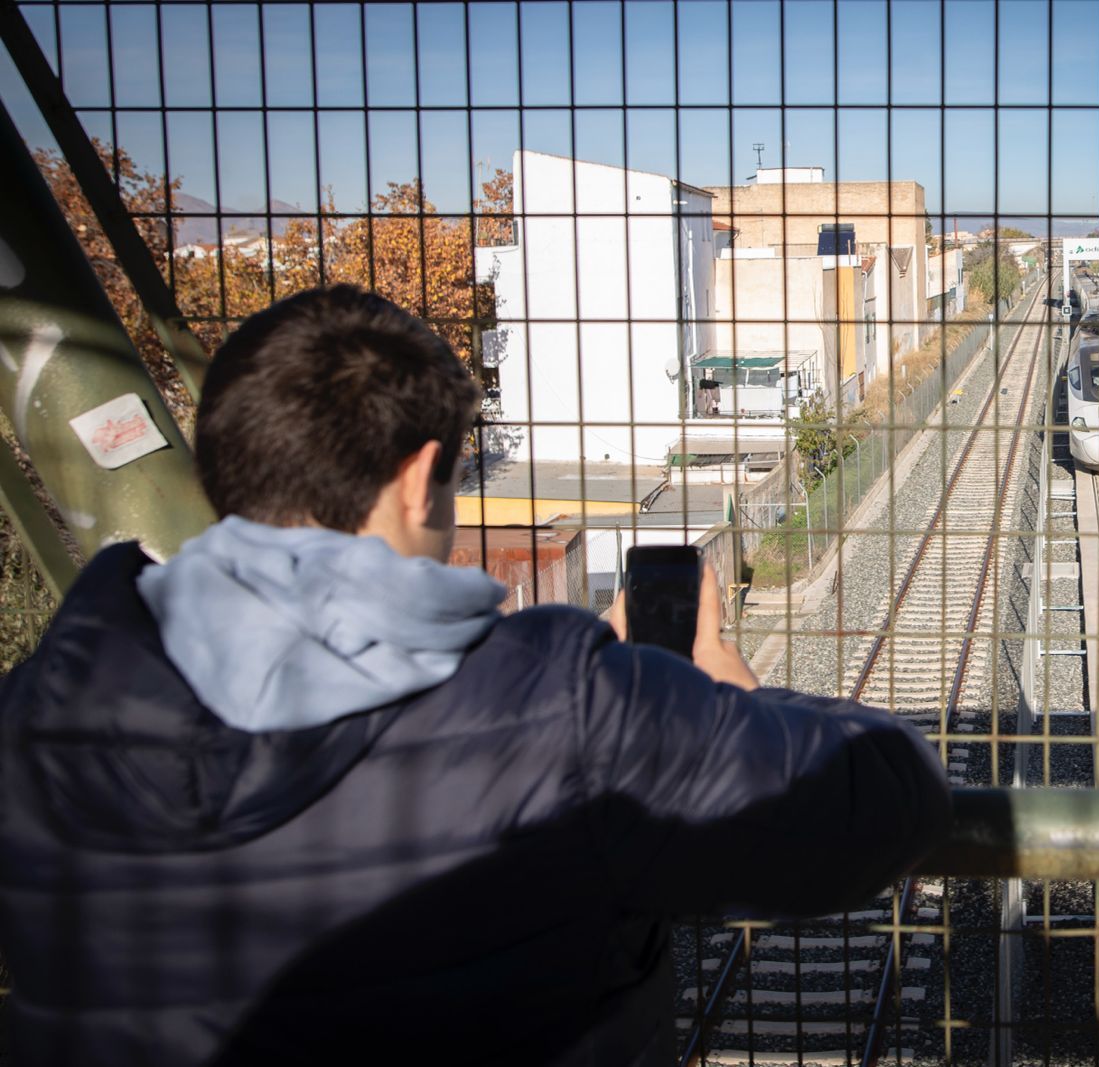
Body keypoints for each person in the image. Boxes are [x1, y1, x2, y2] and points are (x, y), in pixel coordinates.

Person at [0, 286, 952, 1065]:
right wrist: (714, 689)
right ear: (420, 477)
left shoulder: (37, 711)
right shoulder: (571, 712)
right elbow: (882, 803)